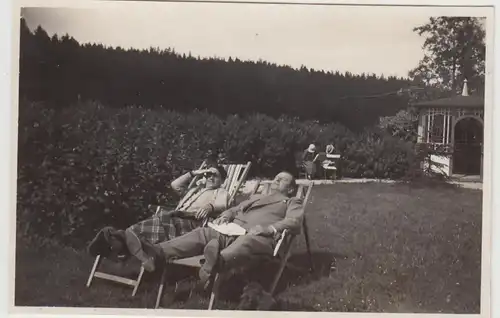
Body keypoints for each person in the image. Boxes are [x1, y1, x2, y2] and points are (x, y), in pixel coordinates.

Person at [153, 171, 303, 287]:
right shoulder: (256, 197)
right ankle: (158, 251)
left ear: (290, 189)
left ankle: (217, 261)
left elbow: (294, 221)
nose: (276, 180)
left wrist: (269, 229)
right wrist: (225, 215)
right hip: (232, 229)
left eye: (283, 179)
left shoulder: (291, 201)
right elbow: (235, 209)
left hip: (257, 236)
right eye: (276, 177)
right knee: (204, 232)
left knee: (247, 240)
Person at [87, 165, 230, 272]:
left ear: (222, 180)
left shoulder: (220, 192)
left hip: (188, 225)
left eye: (215, 175)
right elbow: (175, 185)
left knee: (154, 222)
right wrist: (194, 173)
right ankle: (128, 246)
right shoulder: (195, 190)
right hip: (173, 219)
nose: (210, 177)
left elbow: (224, 204)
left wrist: (210, 207)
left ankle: (116, 240)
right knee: (154, 222)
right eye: (208, 174)